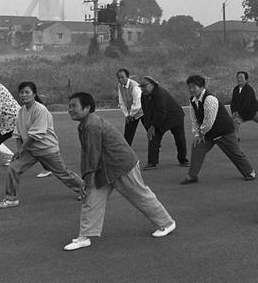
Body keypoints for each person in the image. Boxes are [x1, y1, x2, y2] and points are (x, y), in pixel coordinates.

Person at [63, 92, 176, 251]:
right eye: (69, 106)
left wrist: (87, 179)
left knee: (139, 195)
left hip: (121, 165)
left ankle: (167, 223)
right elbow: (89, 154)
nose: (70, 109)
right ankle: (84, 237)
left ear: (87, 108)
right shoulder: (85, 124)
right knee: (92, 198)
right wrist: (87, 179)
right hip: (105, 167)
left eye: (74, 106)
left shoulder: (92, 125)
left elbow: (91, 155)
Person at [0, 82, 85, 209]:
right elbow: (18, 133)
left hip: (46, 149)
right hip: (30, 150)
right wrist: (19, 150)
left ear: (34, 94)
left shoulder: (40, 109)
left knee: (63, 174)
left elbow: (35, 134)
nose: (24, 95)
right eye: (21, 92)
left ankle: (85, 190)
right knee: (13, 168)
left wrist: (21, 149)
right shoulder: (21, 111)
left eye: (27, 92)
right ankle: (11, 199)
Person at [180, 75, 256, 185]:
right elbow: (194, 118)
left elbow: (209, 121)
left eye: (194, 87)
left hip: (224, 131)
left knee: (235, 153)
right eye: (189, 87)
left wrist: (201, 133)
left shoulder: (210, 99)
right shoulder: (192, 99)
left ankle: (250, 172)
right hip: (208, 132)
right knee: (197, 147)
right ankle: (192, 176)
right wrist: (197, 134)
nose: (191, 90)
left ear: (202, 87)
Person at [138, 76, 189, 169]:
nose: (142, 88)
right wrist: (148, 126)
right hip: (161, 118)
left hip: (175, 117)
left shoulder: (160, 94)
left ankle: (183, 160)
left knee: (180, 139)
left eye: (144, 86)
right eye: (140, 86)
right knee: (153, 137)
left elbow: (161, 112)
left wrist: (153, 127)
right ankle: (152, 163)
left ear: (152, 85)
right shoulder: (143, 95)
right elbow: (146, 111)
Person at [230, 71, 258, 140]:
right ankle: (235, 138)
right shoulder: (236, 89)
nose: (239, 79)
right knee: (234, 120)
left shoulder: (249, 89)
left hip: (254, 112)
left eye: (241, 77)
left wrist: (238, 113)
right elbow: (233, 102)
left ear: (246, 79)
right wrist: (234, 111)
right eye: (238, 77)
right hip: (242, 113)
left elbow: (246, 103)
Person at [116, 69, 143, 145]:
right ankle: (126, 147)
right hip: (131, 112)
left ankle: (156, 145)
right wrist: (126, 115)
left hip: (143, 110)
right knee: (128, 132)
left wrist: (131, 115)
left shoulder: (135, 86)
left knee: (149, 129)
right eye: (119, 78)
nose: (121, 80)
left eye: (122, 77)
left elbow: (138, 103)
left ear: (127, 77)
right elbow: (121, 101)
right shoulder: (120, 85)